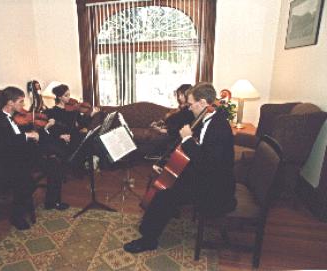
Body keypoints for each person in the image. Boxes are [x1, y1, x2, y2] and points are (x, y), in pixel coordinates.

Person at [124, 82, 237, 253]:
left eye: (191, 104)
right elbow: (199, 157)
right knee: (167, 182)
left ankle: (148, 239)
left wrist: (187, 139)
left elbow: (208, 163)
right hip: (207, 176)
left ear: (203, 102)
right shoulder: (207, 118)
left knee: (165, 194)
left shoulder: (219, 127)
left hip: (216, 188)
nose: (189, 108)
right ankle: (152, 226)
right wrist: (169, 165)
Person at [0, 87, 69, 231]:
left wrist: (32, 134)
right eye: (20, 102)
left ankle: (52, 202)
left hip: (22, 156)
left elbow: (16, 138)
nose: (23, 105)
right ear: (10, 103)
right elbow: (5, 143)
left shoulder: (13, 117)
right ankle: (17, 216)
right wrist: (27, 136)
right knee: (25, 179)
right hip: (9, 162)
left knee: (54, 164)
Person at [44, 84, 99, 160]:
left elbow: (82, 123)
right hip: (65, 141)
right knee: (87, 143)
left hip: (75, 136)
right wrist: (60, 136)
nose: (69, 97)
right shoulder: (52, 112)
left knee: (92, 139)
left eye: (69, 94)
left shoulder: (72, 110)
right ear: (59, 97)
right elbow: (51, 131)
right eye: (66, 95)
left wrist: (92, 114)